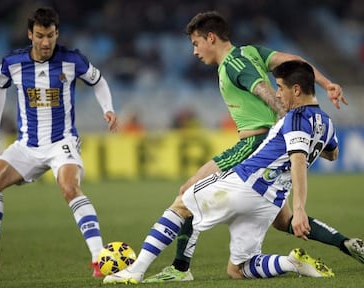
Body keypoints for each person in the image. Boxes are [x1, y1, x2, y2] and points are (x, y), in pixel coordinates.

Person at [143, 11, 364, 283]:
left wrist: (288, 117)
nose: (195, 52)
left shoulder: (232, 63)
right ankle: (346, 243)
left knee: (187, 192)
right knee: (284, 221)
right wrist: (326, 83)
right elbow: (297, 63)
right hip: (272, 150)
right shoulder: (251, 52)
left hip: (253, 145)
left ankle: (179, 268)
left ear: (210, 37)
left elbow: (262, 89)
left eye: (196, 44)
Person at [103, 60, 339, 284]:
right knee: (238, 269)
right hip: (270, 201)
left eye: (280, 88)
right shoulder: (326, 123)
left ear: (296, 90)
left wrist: (299, 209)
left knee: (182, 204)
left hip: (245, 183)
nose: (277, 94)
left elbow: (297, 160)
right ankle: (290, 263)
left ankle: (135, 271)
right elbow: (332, 154)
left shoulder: (295, 118)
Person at [0, 7, 118, 277]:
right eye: (41, 36)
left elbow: (98, 81)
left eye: (51, 35)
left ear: (57, 34)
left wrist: (108, 109)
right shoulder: (13, 62)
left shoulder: (72, 60)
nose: (46, 42)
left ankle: (99, 258)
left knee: (69, 187)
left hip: (61, 142)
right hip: (27, 145)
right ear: (30, 34)